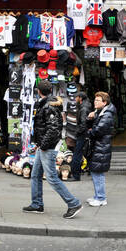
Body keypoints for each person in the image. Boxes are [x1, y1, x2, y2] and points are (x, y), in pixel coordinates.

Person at [23, 81, 83, 219]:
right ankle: (37, 204)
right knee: (36, 175)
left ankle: (73, 203)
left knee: (52, 178)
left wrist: (43, 145)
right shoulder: (47, 104)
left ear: (38, 91)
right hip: (43, 145)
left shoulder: (49, 106)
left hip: (47, 147)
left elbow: (53, 129)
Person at [85, 91, 116, 206]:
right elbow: (92, 126)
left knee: (98, 172)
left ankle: (101, 198)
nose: (95, 102)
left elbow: (98, 131)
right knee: (95, 171)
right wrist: (90, 118)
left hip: (101, 147)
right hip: (99, 146)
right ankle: (97, 196)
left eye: (98, 100)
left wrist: (90, 132)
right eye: (95, 99)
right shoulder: (100, 112)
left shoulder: (106, 115)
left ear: (105, 102)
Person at [63, 85, 89, 181]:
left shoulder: (83, 109)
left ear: (80, 98)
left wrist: (77, 132)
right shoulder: (84, 107)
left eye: (77, 97)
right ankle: (76, 174)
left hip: (81, 135)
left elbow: (83, 124)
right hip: (82, 134)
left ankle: (76, 175)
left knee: (77, 155)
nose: (75, 99)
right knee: (78, 154)